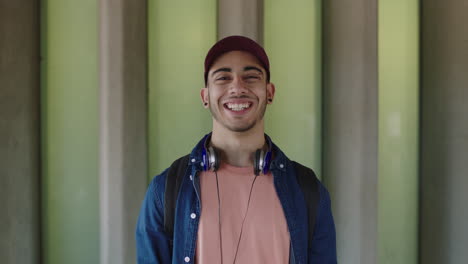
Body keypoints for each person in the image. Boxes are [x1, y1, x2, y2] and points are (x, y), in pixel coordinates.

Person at [136, 35, 337, 264]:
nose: (237, 87)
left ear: (269, 92)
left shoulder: (308, 191)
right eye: (223, 78)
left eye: (251, 77)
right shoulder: (165, 191)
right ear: (205, 96)